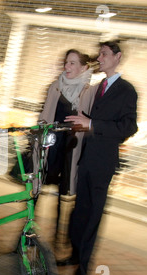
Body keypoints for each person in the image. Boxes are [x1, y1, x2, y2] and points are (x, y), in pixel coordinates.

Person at [63, 40, 138, 275]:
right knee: (80, 212)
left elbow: (128, 128)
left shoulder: (127, 90)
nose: (100, 57)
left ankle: (82, 272)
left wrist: (93, 125)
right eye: (100, 53)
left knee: (92, 215)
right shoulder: (98, 87)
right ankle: (74, 255)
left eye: (104, 54)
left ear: (118, 57)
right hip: (86, 158)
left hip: (103, 163)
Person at [37, 49, 95, 252]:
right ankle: (26, 233)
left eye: (72, 63)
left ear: (83, 67)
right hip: (50, 144)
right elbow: (44, 113)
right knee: (36, 189)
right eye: (66, 63)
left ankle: (58, 240)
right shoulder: (55, 86)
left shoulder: (88, 91)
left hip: (71, 149)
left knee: (63, 195)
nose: (67, 67)